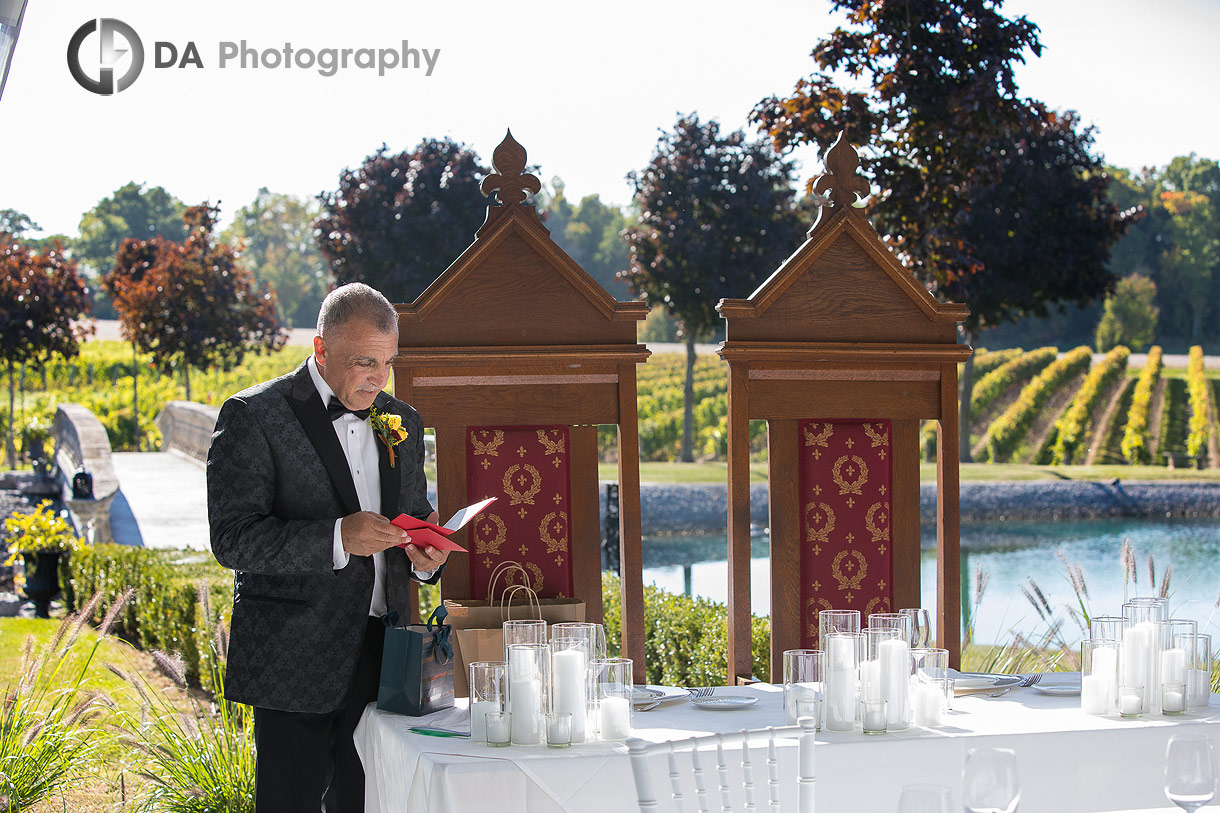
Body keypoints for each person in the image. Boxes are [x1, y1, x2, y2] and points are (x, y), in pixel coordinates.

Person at [207, 282, 448, 812]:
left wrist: (426, 557)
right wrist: (339, 537)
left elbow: (411, 513)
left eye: (387, 363)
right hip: (295, 659)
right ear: (320, 349)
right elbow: (232, 539)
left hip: (387, 659)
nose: (378, 378)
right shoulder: (254, 416)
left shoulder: (401, 420)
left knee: (371, 805)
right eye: (364, 362)